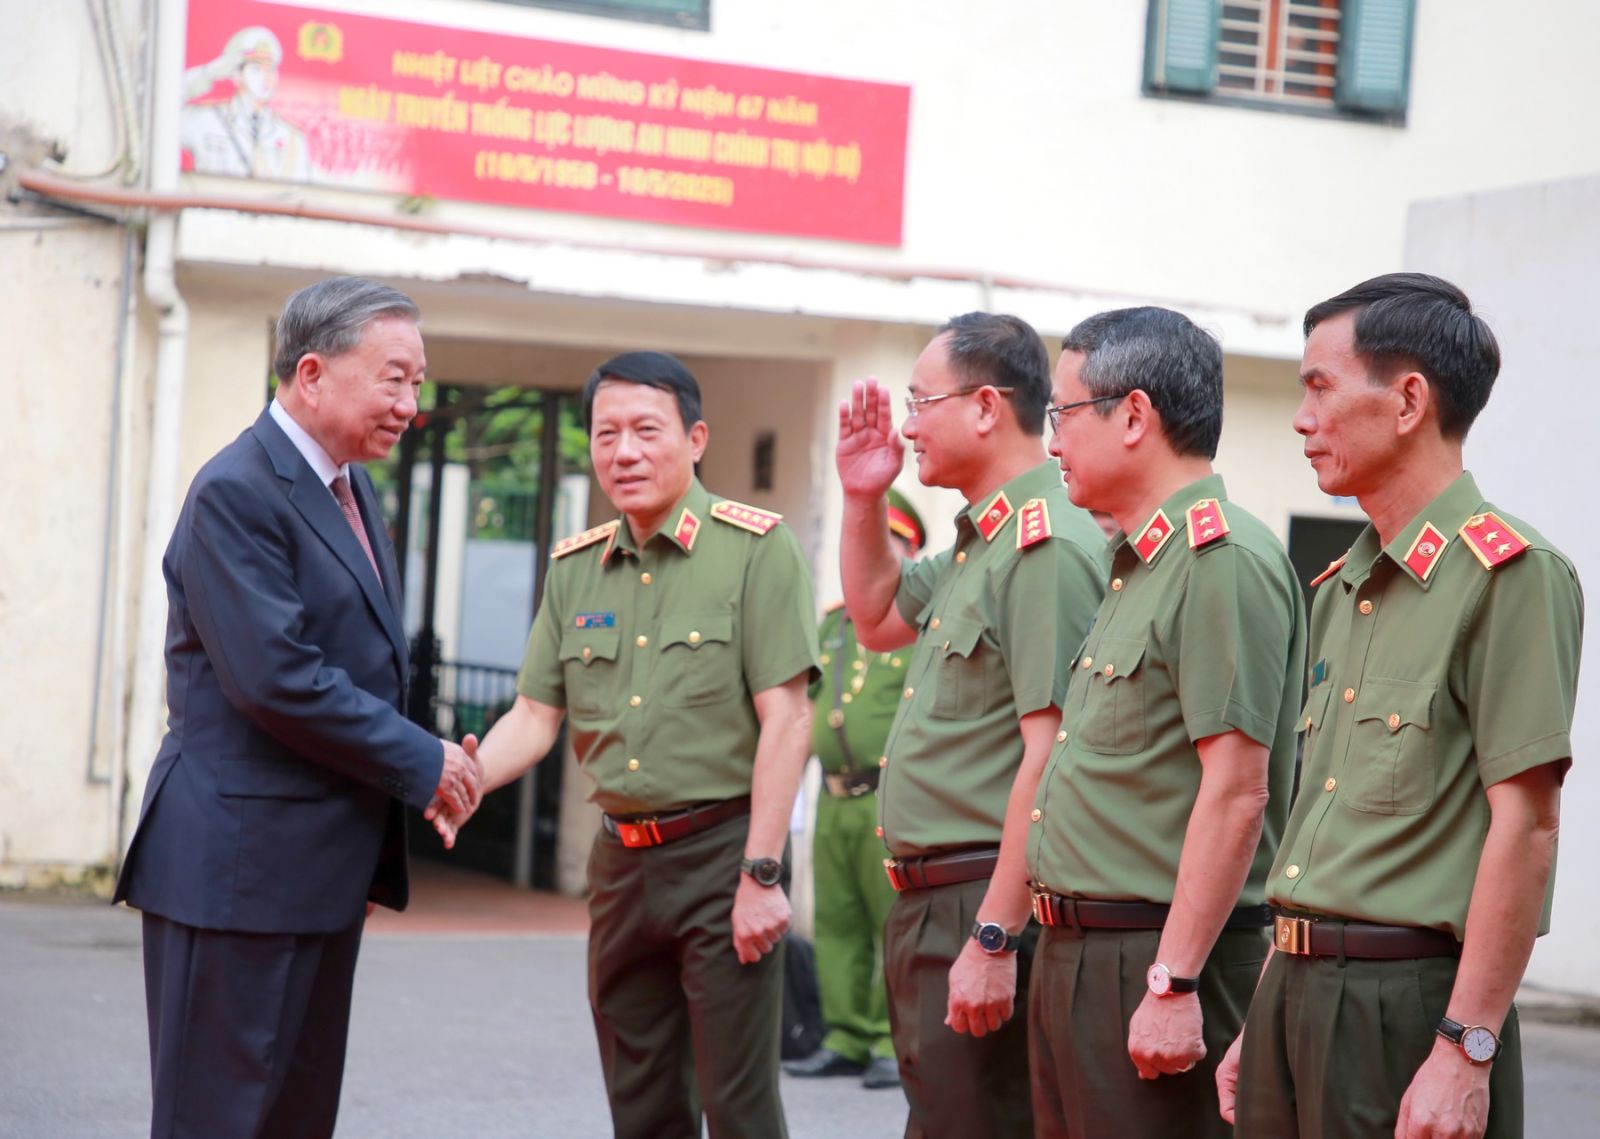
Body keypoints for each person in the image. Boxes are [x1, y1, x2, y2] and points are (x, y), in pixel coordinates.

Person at [112, 276, 482, 1138]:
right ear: (311, 373)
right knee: (218, 1117)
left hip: (317, 871)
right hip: (237, 872)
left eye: (417, 382)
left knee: (294, 1118)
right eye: (394, 378)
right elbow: (276, 677)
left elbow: (361, 666)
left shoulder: (351, 488)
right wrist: (424, 760)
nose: (411, 404)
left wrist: (414, 772)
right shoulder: (236, 490)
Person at [1217, 273, 1583, 1139]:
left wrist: (1467, 1047)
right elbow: (1320, 838)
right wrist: (1264, 1013)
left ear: (1410, 400)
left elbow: (1528, 827)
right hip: (1293, 989)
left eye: (1320, 387)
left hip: (1406, 1006)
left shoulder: (1510, 577)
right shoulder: (1341, 588)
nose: (1302, 419)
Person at [430, 351, 819, 1139]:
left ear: (696, 439)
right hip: (622, 867)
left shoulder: (755, 549)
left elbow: (788, 716)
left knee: (738, 1105)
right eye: (606, 434)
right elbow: (534, 715)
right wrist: (466, 776)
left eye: (647, 430)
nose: (625, 452)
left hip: (723, 856)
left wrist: (762, 872)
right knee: (639, 1101)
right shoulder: (576, 568)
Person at [1019, 305, 1306, 1138]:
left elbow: (1238, 789)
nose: (1052, 443)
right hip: (1080, 951)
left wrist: (1173, 980)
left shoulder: (1221, 560)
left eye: (1063, 415)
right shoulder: (1138, 562)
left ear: (1134, 415)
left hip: (1156, 955)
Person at [835, 312, 1107, 1138]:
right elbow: (875, 615)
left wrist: (994, 933)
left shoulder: (1043, 544)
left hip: (983, 895)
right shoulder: (981, 538)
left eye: (922, 402)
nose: (907, 426)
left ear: (987, 406)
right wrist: (863, 497)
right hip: (933, 897)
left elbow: (1049, 756)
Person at [784, 488, 925, 1091]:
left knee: (890, 923)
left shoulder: (920, 623)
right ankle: (843, 1035)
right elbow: (805, 709)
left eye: (887, 545)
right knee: (836, 919)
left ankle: (891, 1040)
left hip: (889, 798)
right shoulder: (834, 624)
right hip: (833, 796)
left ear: (909, 552)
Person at [181, 26, 312, 182]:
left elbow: (299, 192)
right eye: (257, 69)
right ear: (236, 74)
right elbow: (160, 108)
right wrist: (207, 73)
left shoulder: (292, 137)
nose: (267, 78)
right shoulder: (207, 119)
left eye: (270, 69)